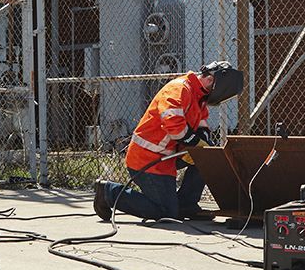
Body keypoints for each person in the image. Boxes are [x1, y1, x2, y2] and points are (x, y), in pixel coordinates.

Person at [93, 61, 244, 222]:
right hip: (147, 160)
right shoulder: (179, 89)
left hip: (166, 156)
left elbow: (202, 123)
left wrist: (203, 143)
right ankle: (108, 192)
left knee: (207, 157)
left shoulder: (198, 96)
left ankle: (186, 205)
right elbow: (174, 126)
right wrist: (195, 142)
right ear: (210, 80)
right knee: (165, 212)